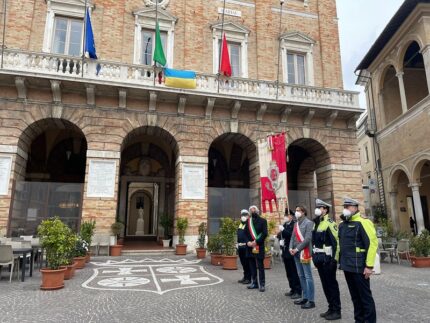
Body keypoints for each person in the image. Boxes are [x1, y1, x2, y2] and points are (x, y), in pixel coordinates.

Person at [338, 197, 378, 323]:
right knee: (355, 297)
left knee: (365, 297)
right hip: (347, 266)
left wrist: (369, 266)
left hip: (360, 266)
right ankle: (359, 320)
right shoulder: (342, 225)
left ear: (355, 208)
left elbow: (372, 244)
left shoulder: (363, 222)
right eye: (344, 207)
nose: (345, 209)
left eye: (347, 207)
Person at [312, 199, 341, 320]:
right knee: (325, 285)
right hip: (319, 259)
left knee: (331, 285)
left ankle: (337, 310)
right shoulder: (316, 223)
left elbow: (337, 242)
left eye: (321, 207)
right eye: (317, 207)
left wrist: (335, 259)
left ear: (325, 210)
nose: (318, 209)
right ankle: (330, 308)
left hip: (328, 260)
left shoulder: (330, 222)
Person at [289, 205, 315, 309]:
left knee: (308, 276)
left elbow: (307, 239)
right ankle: (305, 297)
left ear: (303, 212)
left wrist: (297, 249)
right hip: (295, 253)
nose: (296, 212)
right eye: (296, 210)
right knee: (301, 275)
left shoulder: (309, 223)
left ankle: (311, 300)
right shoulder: (296, 224)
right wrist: (291, 248)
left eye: (298, 210)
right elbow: (292, 237)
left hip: (304, 252)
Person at [277, 209, 302, 300]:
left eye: (287, 215)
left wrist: (283, 231)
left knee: (294, 271)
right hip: (285, 251)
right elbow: (279, 235)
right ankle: (292, 288)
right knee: (288, 272)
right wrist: (280, 236)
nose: (285, 217)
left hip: (291, 251)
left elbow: (292, 235)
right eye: (285, 215)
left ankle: (298, 290)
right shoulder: (285, 224)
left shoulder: (294, 224)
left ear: (291, 216)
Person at [245, 205, 268, 292]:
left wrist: (256, 242)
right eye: (250, 210)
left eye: (253, 209)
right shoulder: (248, 221)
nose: (252, 211)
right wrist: (248, 242)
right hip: (250, 247)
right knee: (252, 266)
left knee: (260, 266)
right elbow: (245, 233)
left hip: (259, 246)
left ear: (257, 211)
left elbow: (264, 233)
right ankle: (254, 282)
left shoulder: (263, 221)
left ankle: (262, 284)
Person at [237, 209, 251, 284]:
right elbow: (239, 234)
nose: (243, 216)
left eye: (245, 215)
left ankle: (249, 278)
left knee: (247, 263)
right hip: (240, 246)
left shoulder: (249, 224)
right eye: (242, 215)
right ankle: (245, 276)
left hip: (246, 246)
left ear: (248, 216)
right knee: (243, 263)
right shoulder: (241, 224)